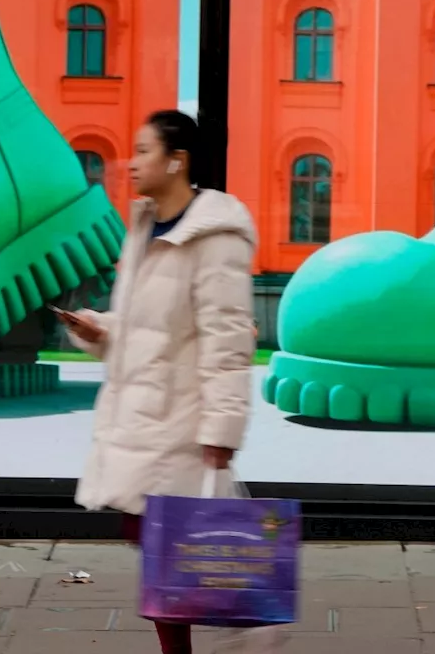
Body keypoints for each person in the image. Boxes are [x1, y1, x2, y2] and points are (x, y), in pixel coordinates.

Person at [64, 109, 257, 654]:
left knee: (165, 542)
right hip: (139, 415)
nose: (132, 162)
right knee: (155, 541)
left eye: (145, 150)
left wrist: (222, 430)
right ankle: (221, 632)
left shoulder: (214, 237)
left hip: (179, 419)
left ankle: (239, 629)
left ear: (178, 161)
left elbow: (228, 340)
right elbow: (148, 323)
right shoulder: (146, 226)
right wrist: (99, 329)